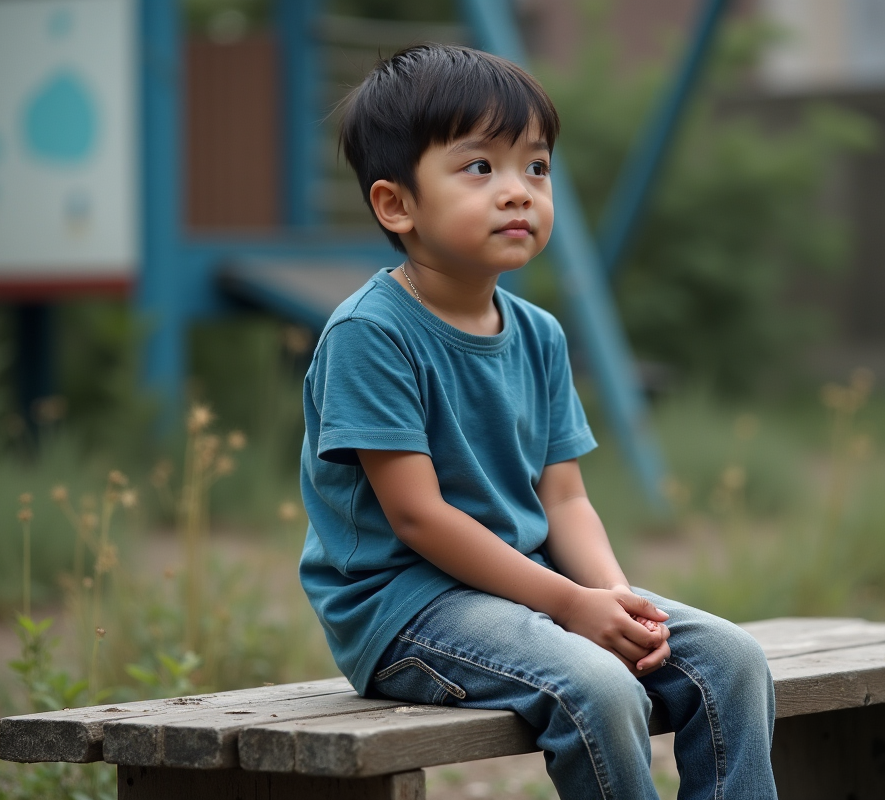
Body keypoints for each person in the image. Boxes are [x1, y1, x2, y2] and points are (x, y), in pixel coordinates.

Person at [298, 43, 777, 800]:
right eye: (479, 167)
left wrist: (615, 602)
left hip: (528, 590)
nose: (519, 191)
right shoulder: (371, 334)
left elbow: (564, 500)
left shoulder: (538, 333)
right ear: (397, 204)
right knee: (598, 685)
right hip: (404, 609)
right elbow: (419, 519)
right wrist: (568, 607)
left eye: (537, 167)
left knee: (732, 660)